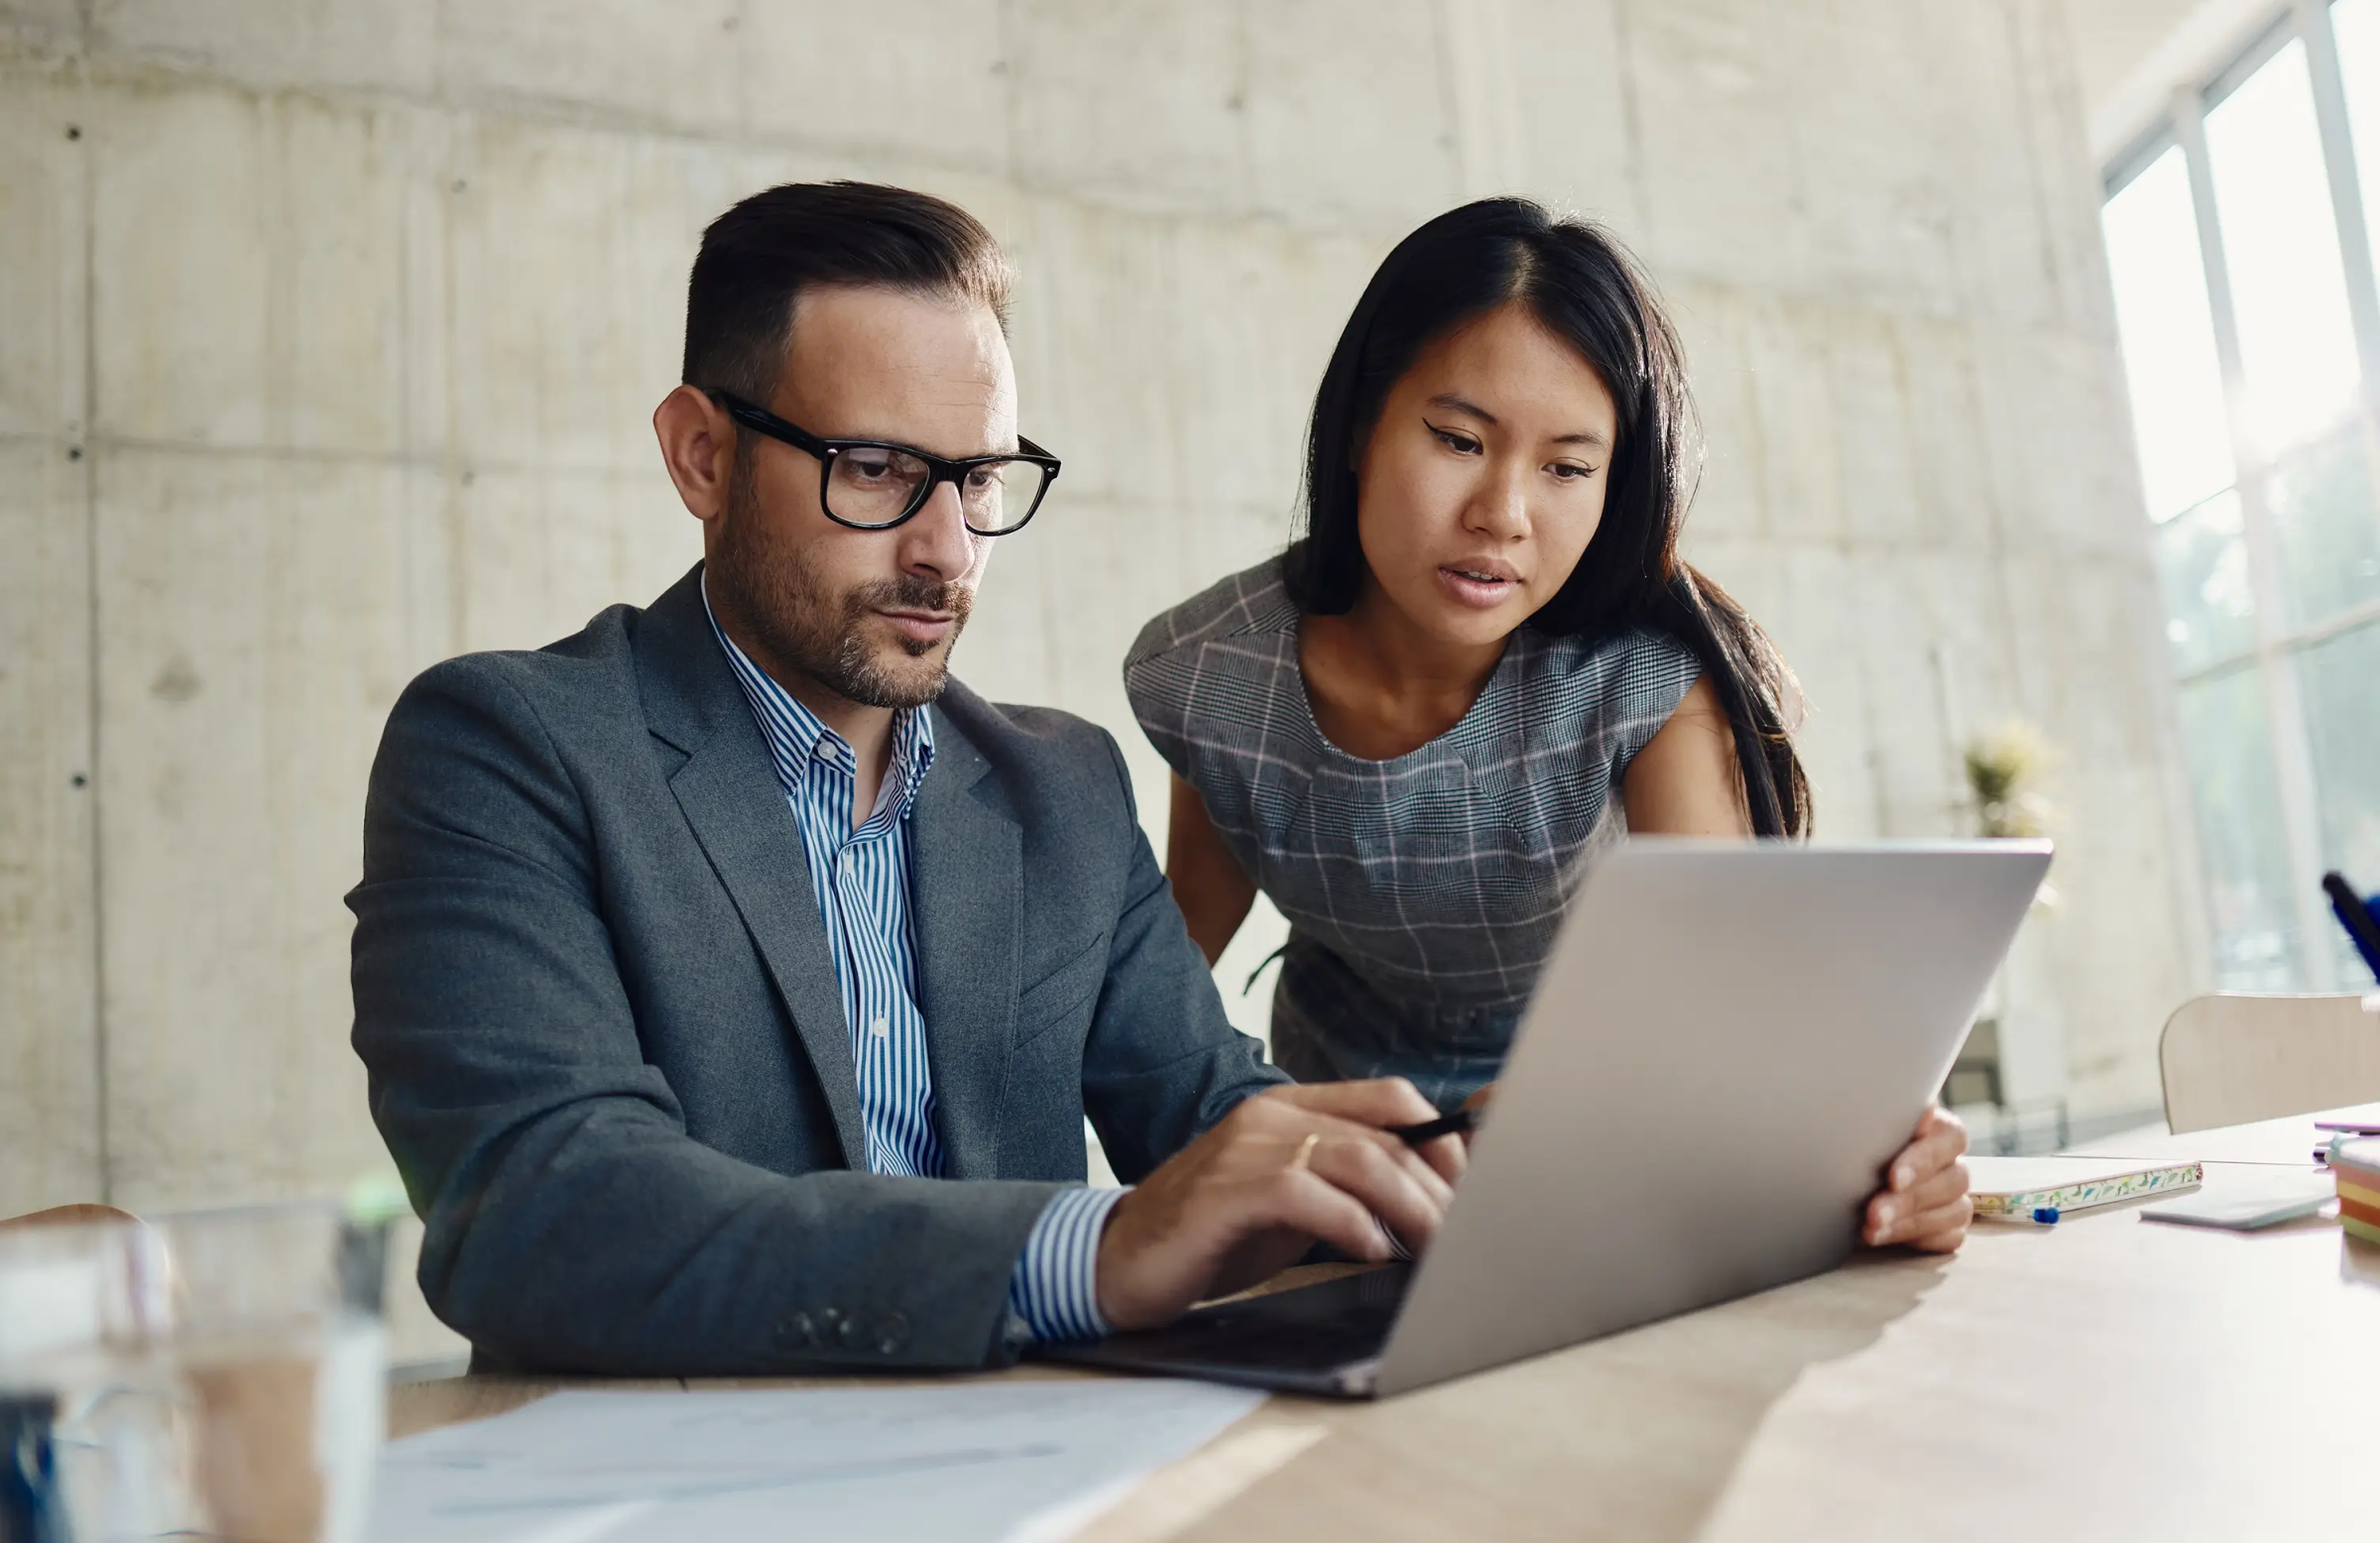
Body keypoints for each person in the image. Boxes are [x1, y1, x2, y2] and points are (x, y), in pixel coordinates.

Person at [348, 181, 1467, 1375]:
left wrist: (1442, 1169)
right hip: (672, 1511)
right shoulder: (506, 748)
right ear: (702, 456)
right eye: (876, 469)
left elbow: (1210, 1123)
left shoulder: (1063, 787)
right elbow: (539, 1211)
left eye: (979, 479)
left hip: (1030, 1480)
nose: (945, 551)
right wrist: (1086, 1254)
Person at [1126, 198, 1970, 1254]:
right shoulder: (1210, 673)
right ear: (1356, 431)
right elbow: (1157, 992)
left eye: (1567, 467)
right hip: (1348, 1171)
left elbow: (1728, 994)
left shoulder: (1644, 679)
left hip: (1609, 1137)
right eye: (1457, 439)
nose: (1505, 513)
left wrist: (1882, 1158)